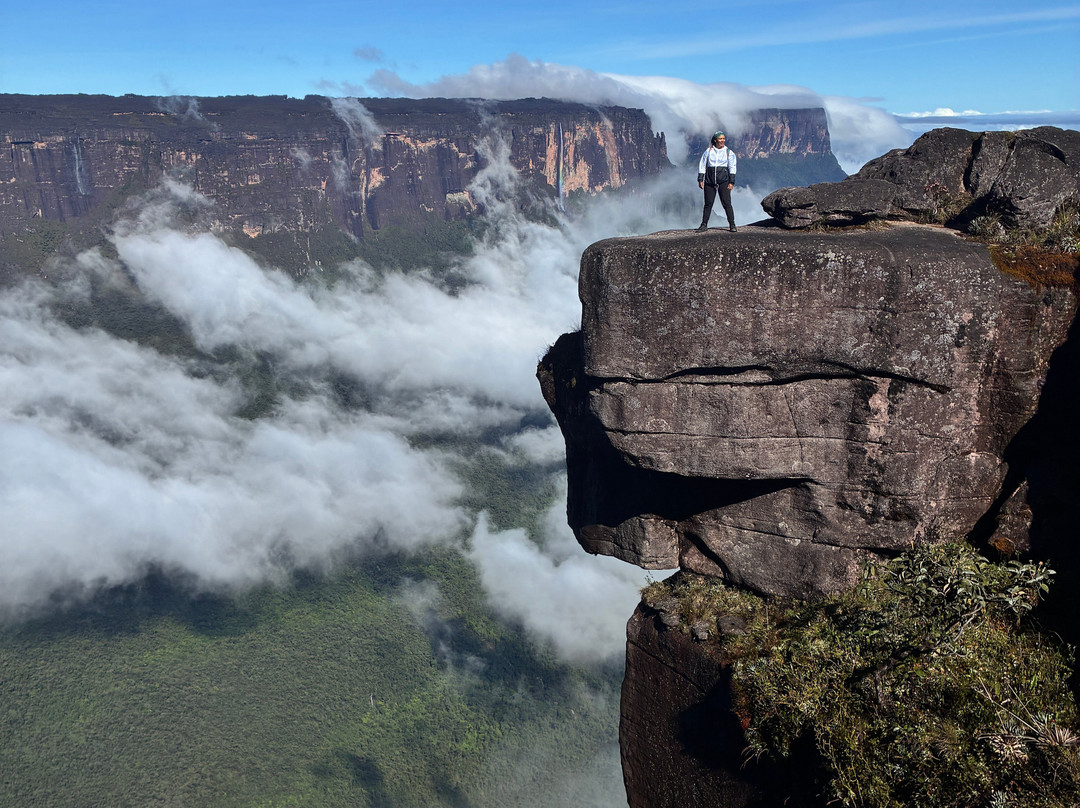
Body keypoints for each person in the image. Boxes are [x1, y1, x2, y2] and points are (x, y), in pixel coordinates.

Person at [696, 132, 737, 232]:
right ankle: (704, 224)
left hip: (723, 181)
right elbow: (702, 164)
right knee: (708, 203)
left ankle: (732, 224)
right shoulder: (708, 151)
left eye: (723, 138)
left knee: (726, 203)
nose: (723, 140)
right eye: (720, 139)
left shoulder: (728, 152)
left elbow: (732, 167)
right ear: (715, 140)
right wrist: (700, 179)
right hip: (709, 180)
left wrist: (731, 182)